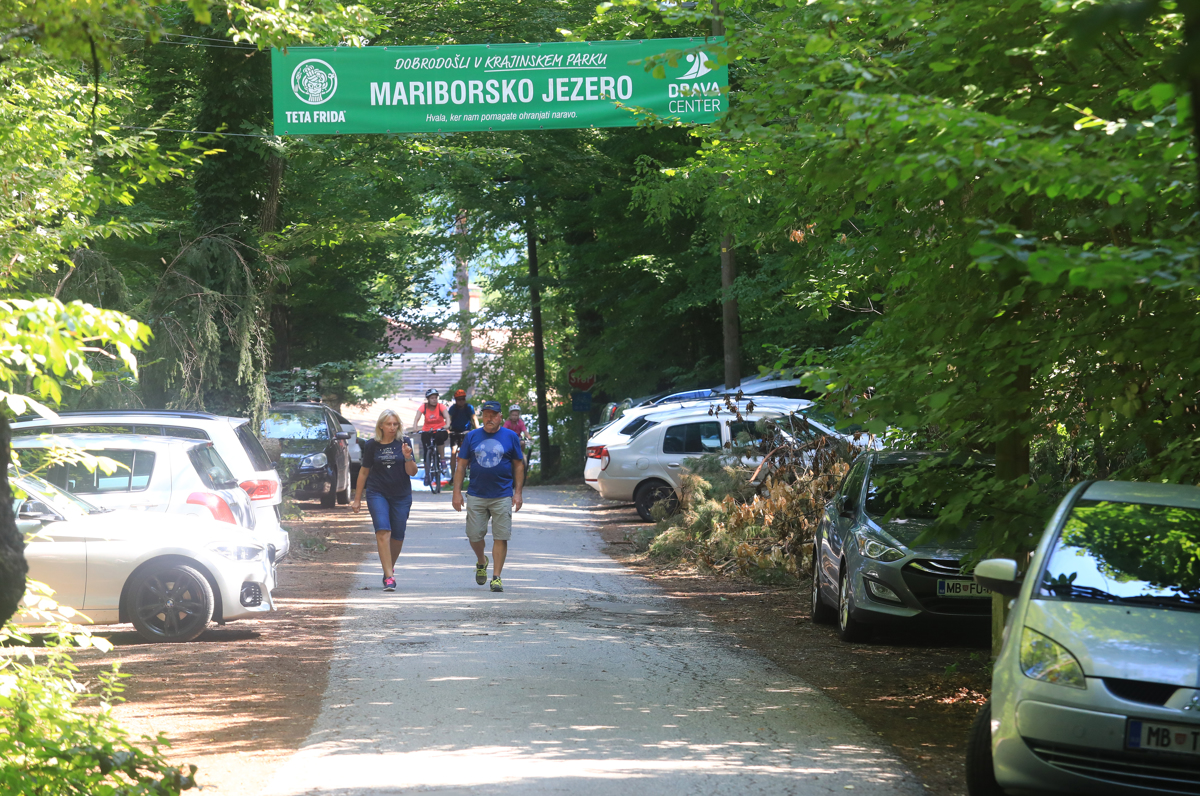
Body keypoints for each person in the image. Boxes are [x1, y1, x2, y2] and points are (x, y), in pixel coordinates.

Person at [452, 400, 524, 593]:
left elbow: (518, 465)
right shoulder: (472, 437)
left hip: (502, 494)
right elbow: (461, 465)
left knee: (501, 536)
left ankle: (496, 577)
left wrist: (517, 493)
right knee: (474, 535)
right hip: (476, 494)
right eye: (486, 414)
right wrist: (456, 493)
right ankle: (482, 561)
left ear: (501, 416)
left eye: (493, 415)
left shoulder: (510, 436)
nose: (489, 418)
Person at [351, 409, 418, 591]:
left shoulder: (404, 442)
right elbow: (364, 471)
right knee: (383, 531)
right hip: (377, 492)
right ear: (381, 425)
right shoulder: (372, 444)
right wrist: (357, 499)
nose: (392, 427)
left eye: (395, 424)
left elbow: (412, 472)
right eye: (389, 424)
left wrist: (407, 457)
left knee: (397, 536)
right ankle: (389, 576)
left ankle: (389, 567)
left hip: (401, 494)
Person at [412, 388, 449, 486]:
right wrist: (415, 428)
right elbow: (416, 419)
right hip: (427, 430)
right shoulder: (423, 407)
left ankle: (442, 459)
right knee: (425, 448)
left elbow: (447, 417)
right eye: (432, 398)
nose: (434, 400)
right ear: (428, 399)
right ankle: (427, 474)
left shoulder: (441, 406)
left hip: (440, 430)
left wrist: (447, 425)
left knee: (440, 436)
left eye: (436, 398)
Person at [446, 388, 478, 477]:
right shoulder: (453, 408)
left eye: (463, 399)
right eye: (459, 399)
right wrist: (447, 428)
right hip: (455, 432)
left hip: (466, 431)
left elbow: (474, 418)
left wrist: (477, 428)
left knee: (471, 451)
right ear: (456, 400)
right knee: (453, 451)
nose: (461, 401)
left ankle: (473, 470)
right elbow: (449, 419)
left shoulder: (469, 407)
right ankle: (453, 475)